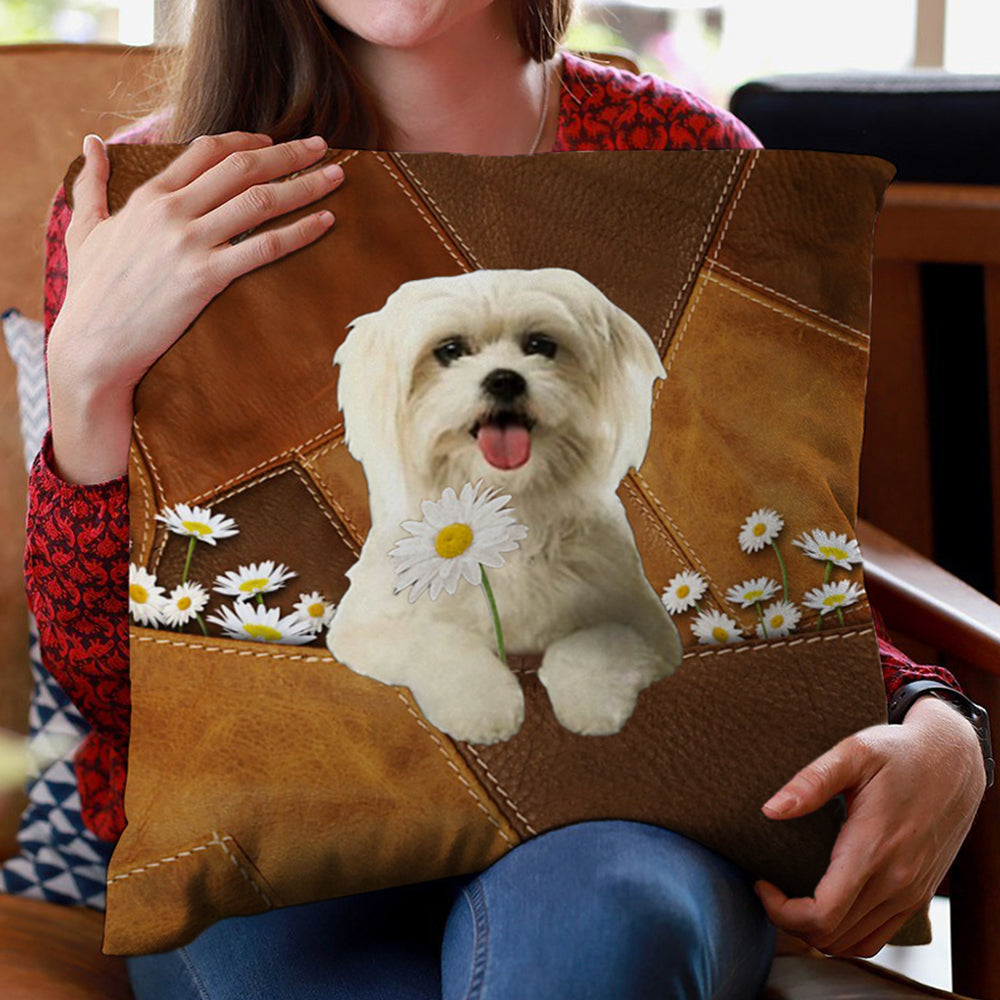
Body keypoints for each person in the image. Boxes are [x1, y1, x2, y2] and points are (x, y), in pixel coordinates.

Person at [24, 1, 987, 997]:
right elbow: (105, 679)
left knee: (601, 924)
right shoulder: (152, 206)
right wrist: (88, 382)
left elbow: (751, 555)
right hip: (272, 817)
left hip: (622, 819)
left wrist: (935, 713)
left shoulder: (692, 166)